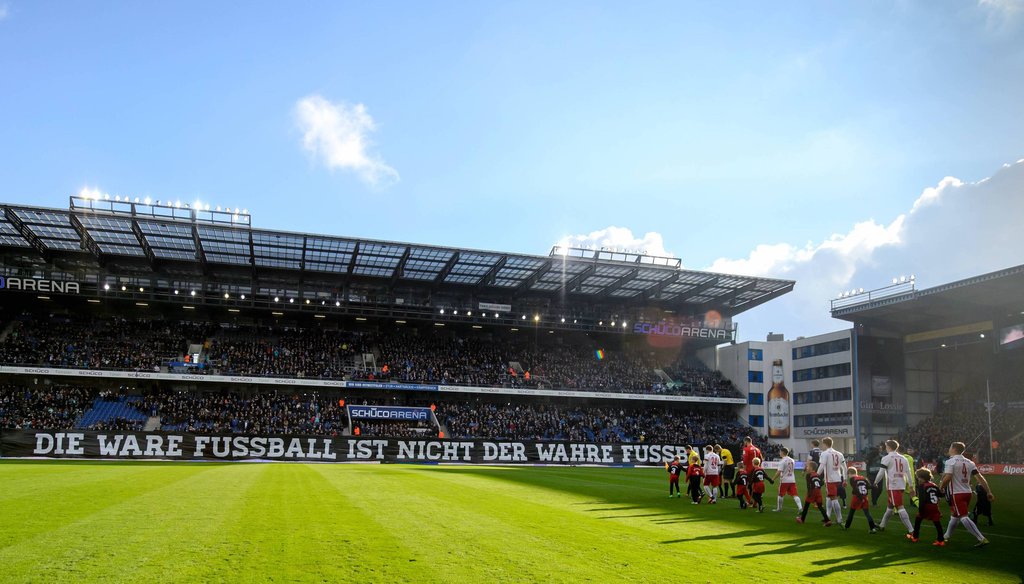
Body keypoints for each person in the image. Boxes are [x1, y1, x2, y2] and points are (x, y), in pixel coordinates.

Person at [940, 441, 994, 547]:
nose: (949, 449)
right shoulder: (970, 462)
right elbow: (980, 478)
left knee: (963, 516)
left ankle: (981, 538)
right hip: (967, 492)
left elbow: (948, 477)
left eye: (950, 447)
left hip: (957, 493)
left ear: (954, 449)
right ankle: (946, 536)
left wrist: (940, 487)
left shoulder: (950, 461)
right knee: (955, 516)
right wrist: (988, 491)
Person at [874, 439, 915, 534]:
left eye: (886, 446)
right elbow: (908, 472)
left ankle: (911, 530)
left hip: (893, 485)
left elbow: (881, 472)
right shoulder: (903, 458)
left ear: (888, 447)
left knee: (900, 507)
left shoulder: (886, 458)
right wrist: (911, 486)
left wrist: (875, 482)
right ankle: (882, 525)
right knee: (890, 506)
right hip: (901, 484)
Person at [907, 468, 945, 546]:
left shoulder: (922, 486)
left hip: (926, 506)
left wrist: (915, 500)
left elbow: (922, 499)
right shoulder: (933, 485)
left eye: (918, 477)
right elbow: (941, 495)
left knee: (918, 520)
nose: (917, 479)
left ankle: (915, 537)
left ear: (921, 478)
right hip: (934, 507)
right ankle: (940, 540)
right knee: (937, 524)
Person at [818, 436, 847, 523]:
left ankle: (839, 518)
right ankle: (827, 516)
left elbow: (821, 466)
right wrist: (845, 479)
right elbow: (845, 468)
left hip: (829, 479)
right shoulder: (839, 453)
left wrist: (815, 475)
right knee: (828, 497)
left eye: (823, 444)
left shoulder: (824, 453)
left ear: (825, 444)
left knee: (834, 498)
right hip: (838, 478)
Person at [844, 466, 879, 533]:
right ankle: (872, 528)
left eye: (848, 474)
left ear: (850, 473)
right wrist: (873, 487)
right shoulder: (864, 478)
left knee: (851, 512)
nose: (848, 476)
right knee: (867, 513)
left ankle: (846, 526)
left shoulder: (852, 479)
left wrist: (860, 498)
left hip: (857, 497)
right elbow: (868, 486)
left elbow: (856, 489)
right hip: (865, 497)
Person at [796, 460, 831, 525]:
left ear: (811, 468)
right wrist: (818, 487)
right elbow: (822, 482)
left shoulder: (808, 475)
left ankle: (802, 519)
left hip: (812, 491)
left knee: (806, 505)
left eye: (807, 467)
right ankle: (827, 520)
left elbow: (808, 485)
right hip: (818, 491)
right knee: (820, 506)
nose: (806, 468)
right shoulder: (817, 475)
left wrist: (809, 493)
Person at [772, 447, 802, 512]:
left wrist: (773, 479)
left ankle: (779, 509)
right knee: (795, 494)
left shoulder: (782, 461)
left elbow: (779, 471)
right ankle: (800, 508)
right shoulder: (792, 460)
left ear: (782, 452)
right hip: (792, 480)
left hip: (784, 480)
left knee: (780, 494)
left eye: (780, 452)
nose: (779, 453)